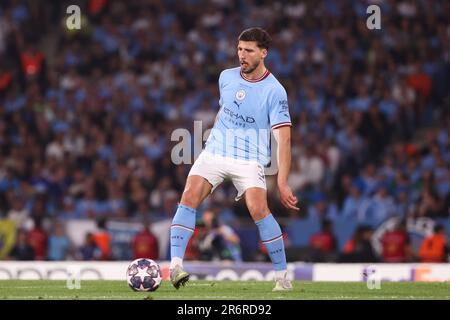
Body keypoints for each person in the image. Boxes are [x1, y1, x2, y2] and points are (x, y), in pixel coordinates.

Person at [169, 27, 298, 291]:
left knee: (259, 210)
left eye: (249, 50)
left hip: (249, 159)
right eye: (239, 49)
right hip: (216, 151)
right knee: (189, 195)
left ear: (264, 53)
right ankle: (175, 266)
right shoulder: (226, 77)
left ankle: (282, 278)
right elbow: (224, 111)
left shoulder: (275, 91)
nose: (242, 55)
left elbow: (284, 141)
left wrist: (282, 182)